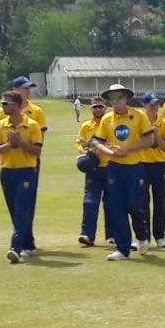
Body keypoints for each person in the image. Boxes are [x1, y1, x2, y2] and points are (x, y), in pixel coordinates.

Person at [89, 83, 153, 261]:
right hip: (114, 168)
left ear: (125, 98)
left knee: (135, 206)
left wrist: (128, 149)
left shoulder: (139, 115)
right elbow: (97, 142)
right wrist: (110, 152)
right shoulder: (107, 119)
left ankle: (142, 236)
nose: (114, 101)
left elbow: (149, 139)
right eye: (111, 98)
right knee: (116, 207)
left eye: (117, 97)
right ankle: (122, 248)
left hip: (134, 166)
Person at [0, 75, 47, 256]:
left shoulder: (35, 116)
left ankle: (16, 247)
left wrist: (22, 144)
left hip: (27, 167)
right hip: (7, 169)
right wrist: (9, 146)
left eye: (29, 88)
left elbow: (38, 146)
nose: (28, 91)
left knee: (23, 206)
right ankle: (27, 243)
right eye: (24, 88)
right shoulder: (1, 118)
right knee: (15, 208)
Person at [134, 92, 165, 251]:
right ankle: (143, 238)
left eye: (156, 104)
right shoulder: (137, 121)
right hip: (141, 164)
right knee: (141, 202)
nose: (154, 107)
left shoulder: (164, 122)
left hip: (159, 164)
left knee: (160, 201)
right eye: (151, 105)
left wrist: (156, 134)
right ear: (144, 106)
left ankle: (160, 236)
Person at [75, 96, 112, 247]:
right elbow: (79, 142)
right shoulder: (86, 126)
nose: (98, 109)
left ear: (105, 108)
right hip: (93, 168)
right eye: (95, 107)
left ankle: (112, 234)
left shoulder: (111, 122)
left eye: (100, 107)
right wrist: (86, 149)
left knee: (111, 203)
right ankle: (87, 234)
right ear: (91, 108)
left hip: (110, 166)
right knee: (90, 202)